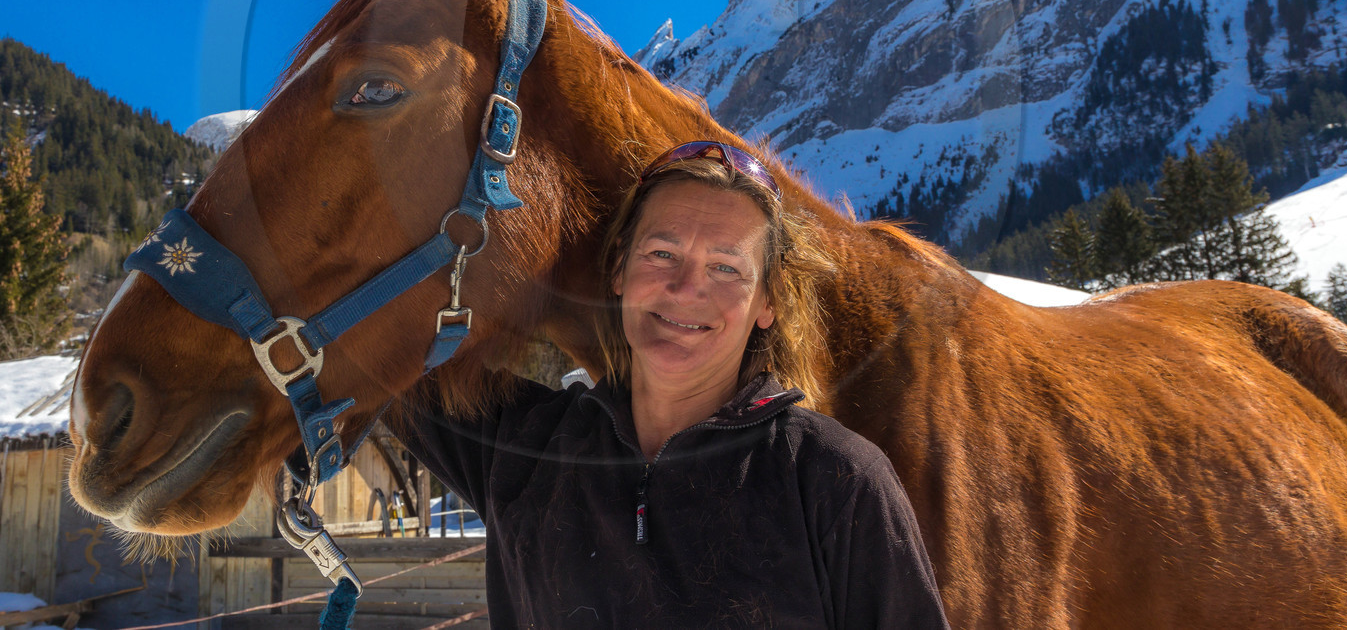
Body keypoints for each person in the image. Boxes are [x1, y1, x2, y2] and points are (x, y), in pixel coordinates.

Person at [399, 141, 950, 629]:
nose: (686, 289)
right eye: (662, 254)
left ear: (769, 301)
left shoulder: (834, 478)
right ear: (620, 269)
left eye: (726, 268)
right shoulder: (524, 448)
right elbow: (374, 340)